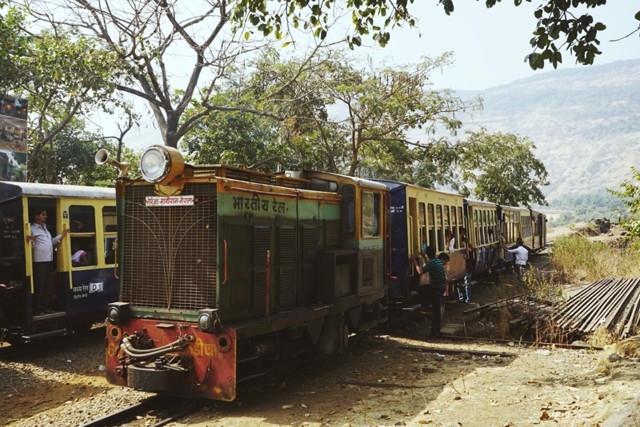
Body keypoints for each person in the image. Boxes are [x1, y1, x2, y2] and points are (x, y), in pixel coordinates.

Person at [26, 209, 68, 315]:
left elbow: (51, 242)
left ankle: (45, 307)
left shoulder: (45, 228)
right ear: (36, 216)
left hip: (48, 260)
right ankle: (37, 309)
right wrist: (29, 241)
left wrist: (61, 235)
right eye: (43, 214)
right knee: (39, 286)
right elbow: (30, 244)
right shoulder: (32, 229)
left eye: (46, 214)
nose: (46, 216)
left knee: (47, 286)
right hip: (38, 261)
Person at [414, 245, 448, 339]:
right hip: (441, 288)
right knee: (437, 312)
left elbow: (420, 271)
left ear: (428, 254)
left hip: (437, 289)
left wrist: (414, 261)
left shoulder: (432, 263)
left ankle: (434, 333)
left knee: (419, 288)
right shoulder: (437, 260)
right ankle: (436, 332)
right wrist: (424, 256)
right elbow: (429, 263)